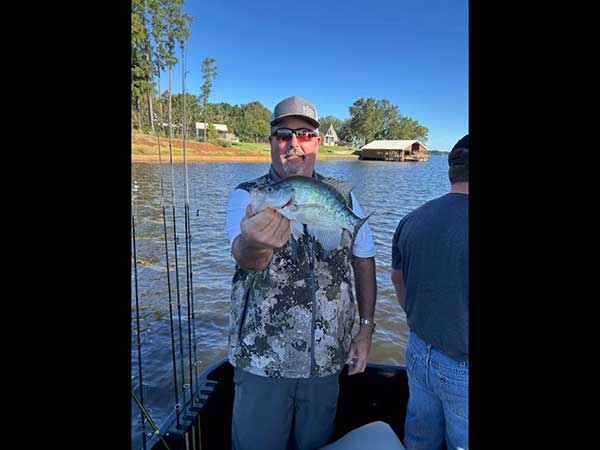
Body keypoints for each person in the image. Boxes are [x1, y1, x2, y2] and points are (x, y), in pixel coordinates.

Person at [224, 96, 378, 450]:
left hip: (327, 361)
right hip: (263, 362)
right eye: (283, 135)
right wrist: (256, 244)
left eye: (305, 134)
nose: (294, 143)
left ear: (317, 142)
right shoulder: (248, 196)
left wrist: (366, 329)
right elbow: (244, 256)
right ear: (271, 141)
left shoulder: (343, 198)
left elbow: (364, 258)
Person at [390, 135, 469, 450]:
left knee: (419, 437)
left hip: (418, 349)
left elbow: (398, 280)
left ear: (451, 172)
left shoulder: (411, 219)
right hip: (463, 366)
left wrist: (417, 318)